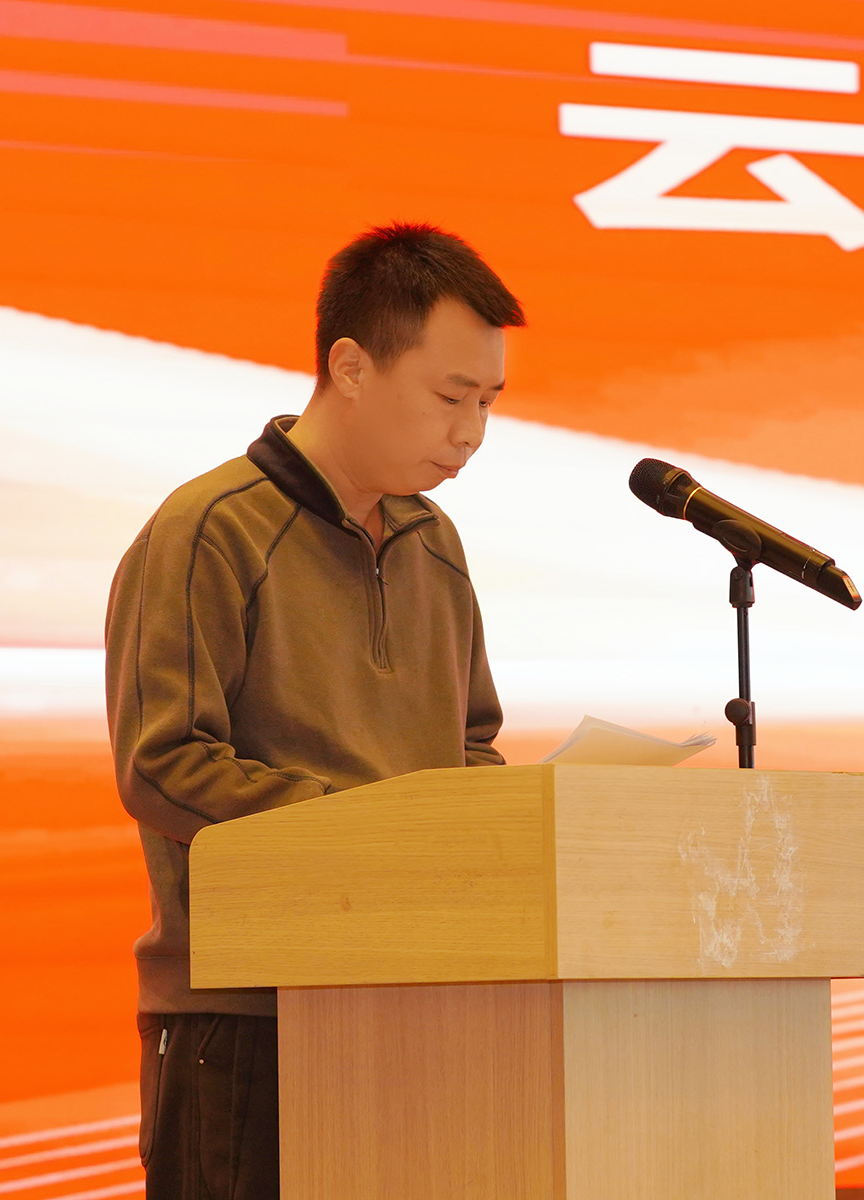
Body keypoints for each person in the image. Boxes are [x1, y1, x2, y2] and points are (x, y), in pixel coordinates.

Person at [104, 223, 523, 1200]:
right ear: (351, 367)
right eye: (451, 397)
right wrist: (364, 829)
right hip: (246, 1014)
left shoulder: (434, 543)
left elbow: (469, 747)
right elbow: (164, 762)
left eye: (490, 403)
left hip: (414, 998)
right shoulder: (211, 529)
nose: (472, 432)